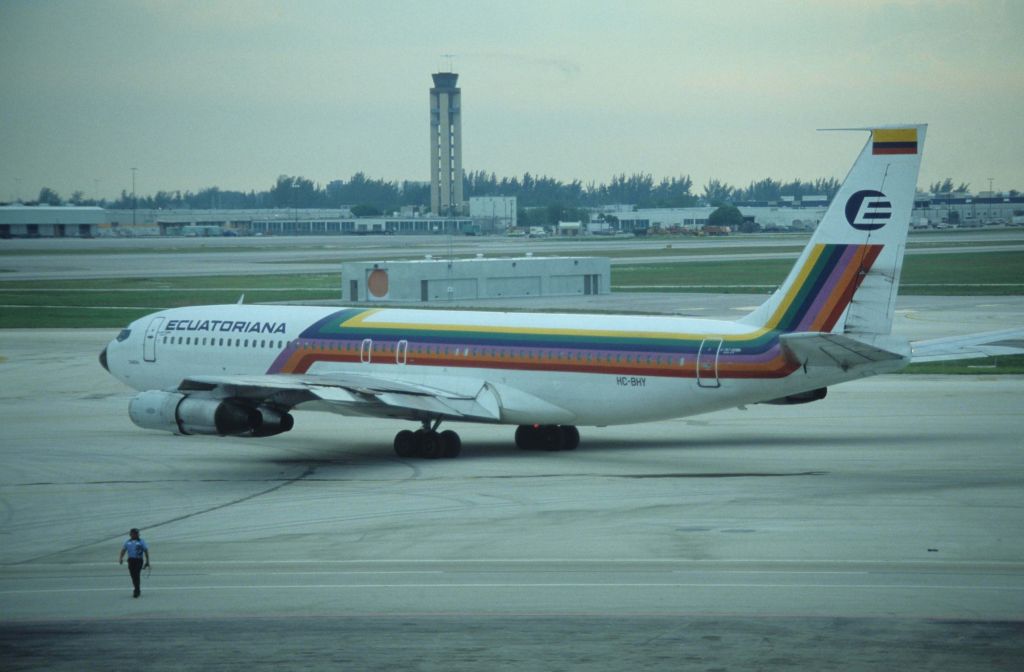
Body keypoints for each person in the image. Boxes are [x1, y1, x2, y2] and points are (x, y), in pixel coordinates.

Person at [118, 528, 150, 598]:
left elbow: (146, 551)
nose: (136, 535)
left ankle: (136, 591)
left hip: (138, 560)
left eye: (137, 533)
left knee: (136, 574)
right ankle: (137, 589)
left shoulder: (141, 541)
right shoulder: (127, 542)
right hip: (131, 560)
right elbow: (123, 550)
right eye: (134, 533)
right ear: (131, 534)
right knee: (133, 576)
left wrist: (147, 561)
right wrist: (121, 558)